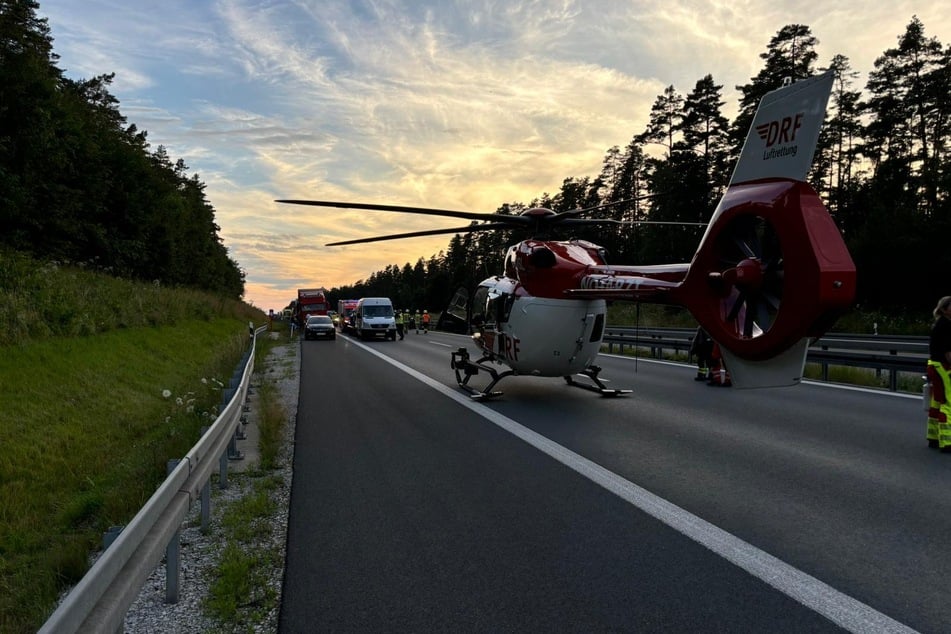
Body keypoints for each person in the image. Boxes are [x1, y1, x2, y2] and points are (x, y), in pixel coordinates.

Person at [927, 296, 951, 450]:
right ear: (944, 309)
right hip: (943, 365)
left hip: (934, 364)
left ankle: (933, 437)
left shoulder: (940, 324)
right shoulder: (947, 326)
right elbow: (948, 352)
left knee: (937, 401)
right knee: (948, 402)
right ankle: (947, 441)